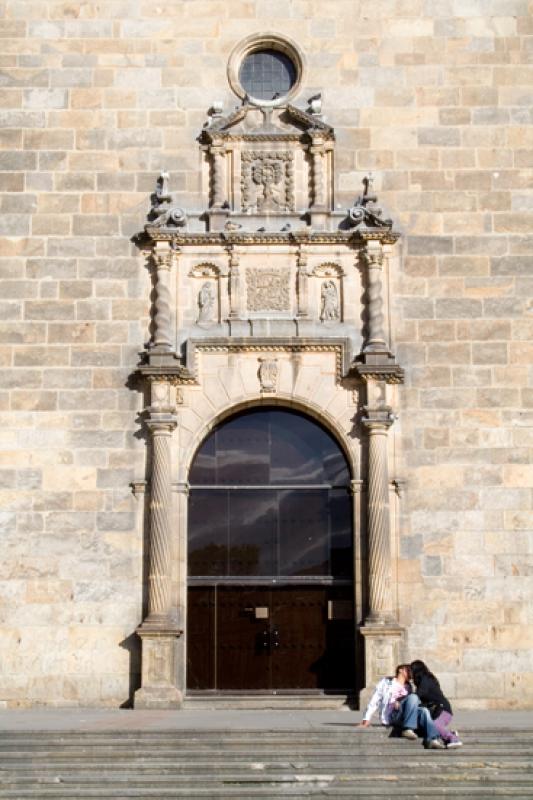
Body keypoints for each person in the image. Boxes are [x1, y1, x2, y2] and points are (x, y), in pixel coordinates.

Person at [358, 664, 445, 749]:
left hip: (403, 716)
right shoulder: (386, 682)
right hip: (392, 716)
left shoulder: (409, 687)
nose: (411, 672)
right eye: (408, 670)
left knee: (424, 711)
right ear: (400, 670)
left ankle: (432, 740)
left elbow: (412, 705)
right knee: (414, 697)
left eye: (411, 671)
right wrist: (366, 719)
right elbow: (375, 700)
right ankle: (408, 729)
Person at [410, 660, 462, 748]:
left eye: (411, 670)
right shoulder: (424, 679)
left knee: (435, 725)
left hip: (442, 709)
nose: (410, 673)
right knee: (426, 727)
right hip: (436, 710)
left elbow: (419, 694)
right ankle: (449, 734)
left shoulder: (425, 679)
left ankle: (453, 739)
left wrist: (406, 701)